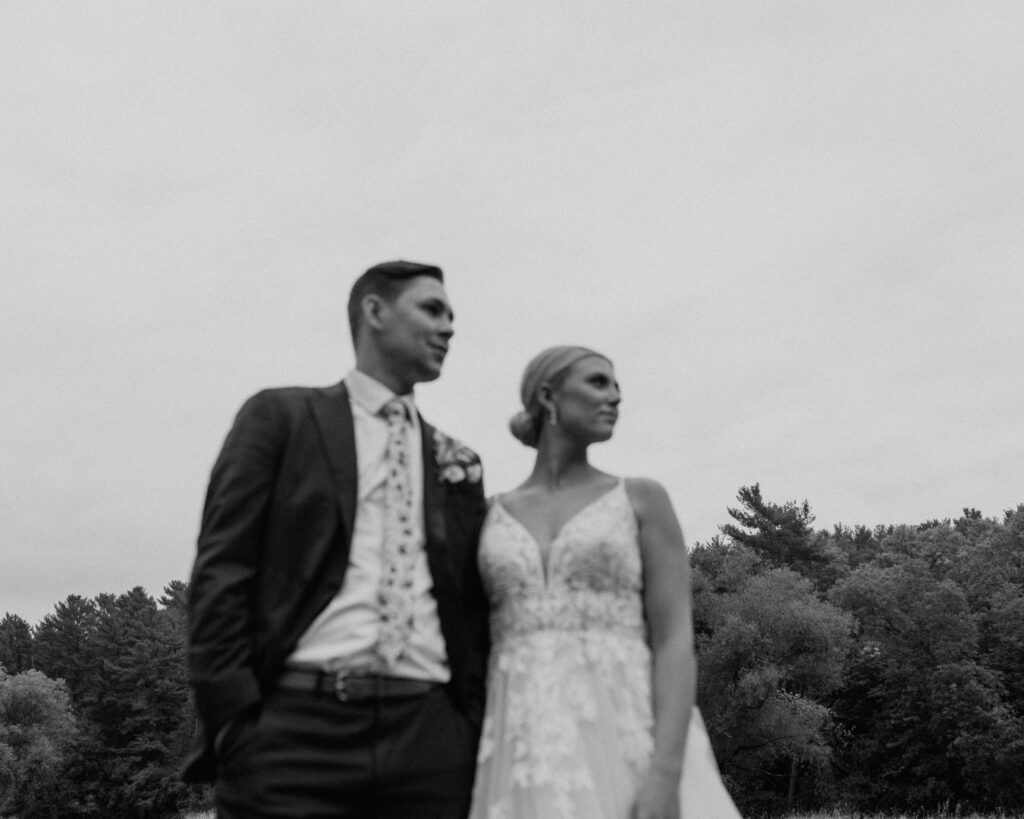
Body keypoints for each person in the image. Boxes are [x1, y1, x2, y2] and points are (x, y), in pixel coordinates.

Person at [183, 261, 490, 819]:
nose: (449, 328)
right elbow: (222, 571)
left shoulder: (459, 461)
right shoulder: (280, 417)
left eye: (452, 316)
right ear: (374, 312)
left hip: (429, 740)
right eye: (432, 309)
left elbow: (470, 608)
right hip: (295, 733)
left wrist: (463, 725)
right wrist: (236, 723)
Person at [469, 346, 741, 819]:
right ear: (549, 395)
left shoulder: (642, 500)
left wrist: (665, 774)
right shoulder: (487, 515)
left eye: (616, 386)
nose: (615, 396)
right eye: (599, 383)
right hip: (518, 741)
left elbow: (675, 641)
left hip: (626, 733)